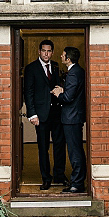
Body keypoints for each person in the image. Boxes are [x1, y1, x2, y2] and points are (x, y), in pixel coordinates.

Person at [23, 39, 67, 190]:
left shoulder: (55, 66)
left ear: (52, 52)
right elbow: (28, 93)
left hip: (56, 114)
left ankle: (59, 176)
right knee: (43, 148)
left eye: (49, 51)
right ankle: (46, 178)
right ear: (39, 52)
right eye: (43, 51)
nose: (46, 54)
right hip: (41, 116)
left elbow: (57, 86)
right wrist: (32, 114)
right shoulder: (31, 68)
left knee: (60, 146)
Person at [52, 46, 86, 193]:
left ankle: (77, 183)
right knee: (76, 149)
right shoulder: (79, 71)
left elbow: (68, 98)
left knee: (74, 151)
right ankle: (78, 181)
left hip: (71, 118)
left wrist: (59, 93)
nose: (60, 56)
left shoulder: (73, 73)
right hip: (75, 116)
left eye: (63, 55)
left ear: (68, 58)